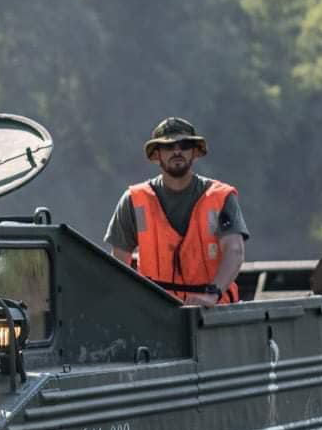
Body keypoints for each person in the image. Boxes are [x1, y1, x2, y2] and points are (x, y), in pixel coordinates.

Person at [105, 116, 248, 305]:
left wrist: (212, 294)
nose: (177, 151)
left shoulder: (220, 197)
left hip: (213, 314)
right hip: (155, 312)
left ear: (195, 152)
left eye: (184, 145)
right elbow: (119, 261)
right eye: (168, 147)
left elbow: (235, 250)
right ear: (157, 155)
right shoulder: (133, 200)